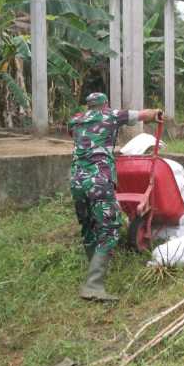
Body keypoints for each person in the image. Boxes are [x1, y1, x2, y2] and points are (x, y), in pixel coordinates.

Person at [69, 92, 162, 301]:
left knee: (88, 226)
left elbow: (83, 139)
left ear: (88, 105)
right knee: (110, 228)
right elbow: (142, 115)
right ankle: (93, 285)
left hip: (76, 180)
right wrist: (157, 113)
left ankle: (94, 270)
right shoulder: (111, 116)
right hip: (99, 180)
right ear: (105, 104)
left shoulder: (75, 120)